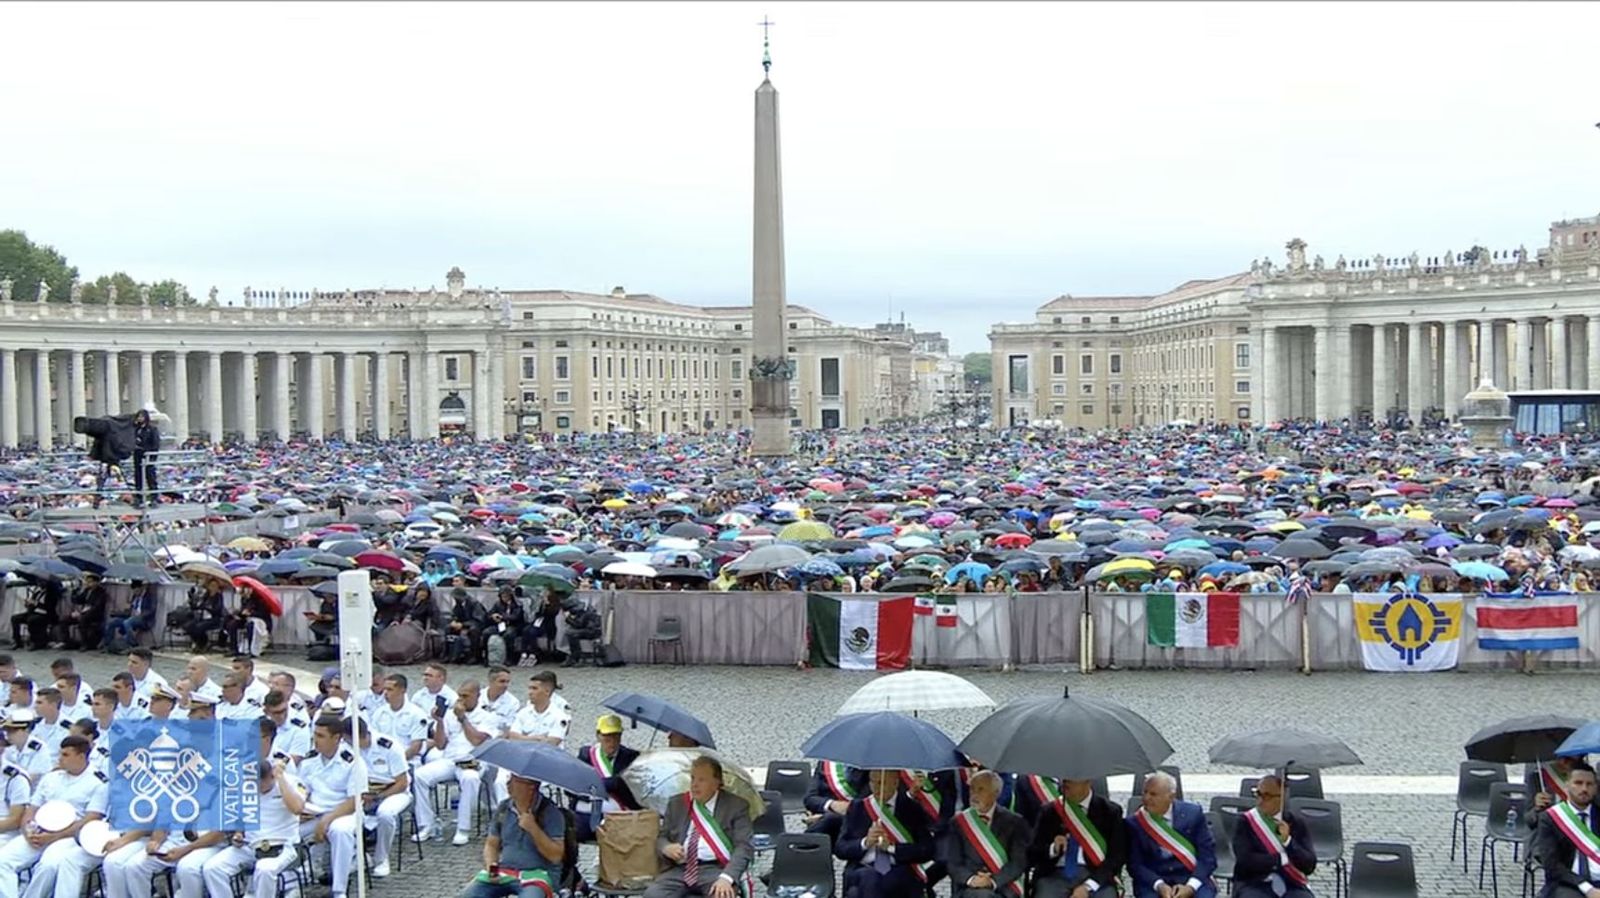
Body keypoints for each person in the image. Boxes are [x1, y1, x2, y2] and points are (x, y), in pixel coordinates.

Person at [0, 736, 108, 898]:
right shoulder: (52, 777)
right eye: (60, 754)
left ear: (80, 756)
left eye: (65, 755)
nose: (60, 759)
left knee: (48, 866)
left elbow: (90, 819)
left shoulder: (98, 782)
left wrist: (54, 837)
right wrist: (28, 831)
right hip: (38, 832)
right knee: (3, 861)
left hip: (69, 836)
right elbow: (32, 809)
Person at [200, 740, 307, 898]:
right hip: (250, 846)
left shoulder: (289, 782)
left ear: (270, 777)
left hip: (282, 845)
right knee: (212, 868)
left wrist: (280, 778)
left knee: (265, 868)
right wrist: (238, 834)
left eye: (261, 784)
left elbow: (297, 808)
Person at [642, 755, 754, 898]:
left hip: (716, 869)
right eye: (693, 778)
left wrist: (727, 878)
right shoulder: (677, 803)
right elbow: (662, 837)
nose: (694, 784)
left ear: (717, 782)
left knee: (722, 895)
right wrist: (666, 847)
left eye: (701, 780)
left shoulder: (736, 806)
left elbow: (744, 847)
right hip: (681, 868)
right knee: (652, 895)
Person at [412, 679, 501, 846]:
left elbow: (477, 740)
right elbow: (440, 744)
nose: (461, 700)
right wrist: (439, 721)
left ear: (477, 696)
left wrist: (463, 719)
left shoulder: (488, 717)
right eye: (459, 695)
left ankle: (463, 828)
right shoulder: (449, 715)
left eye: (465, 696)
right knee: (419, 775)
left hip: (474, 761)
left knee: (470, 778)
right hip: (450, 760)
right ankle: (427, 824)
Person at [457, 773, 566, 898]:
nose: (508, 784)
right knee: (469, 895)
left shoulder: (550, 812)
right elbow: (492, 844)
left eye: (515, 781)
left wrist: (533, 828)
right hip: (506, 871)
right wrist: (491, 865)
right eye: (509, 778)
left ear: (531, 787)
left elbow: (556, 856)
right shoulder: (504, 808)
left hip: (538, 875)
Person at [834, 768, 937, 898]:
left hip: (898, 868)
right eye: (873, 782)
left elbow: (927, 850)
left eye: (882, 783)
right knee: (871, 878)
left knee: (882, 880)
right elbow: (840, 848)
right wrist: (866, 842)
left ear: (895, 783)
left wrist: (891, 848)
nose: (876, 788)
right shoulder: (858, 808)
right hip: (863, 868)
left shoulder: (911, 808)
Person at [1125, 771, 1217, 898]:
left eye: (1153, 794)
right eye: (1144, 792)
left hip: (1190, 875)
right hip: (1154, 879)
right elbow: (1135, 864)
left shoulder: (1193, 814)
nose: (1146, 798)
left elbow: (1207, 857)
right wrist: (1159, 885)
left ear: (1171, 796)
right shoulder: (1134, 823)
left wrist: (1190, 886)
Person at [1028, 778, 1124, 898]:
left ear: (1088, 781)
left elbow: (1116, 857)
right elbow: (1032, 853)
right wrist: (1052, 849)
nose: (1065, 781)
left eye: (1071, 778)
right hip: (1054, 875)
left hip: (1096, 876)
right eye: (1064, 778)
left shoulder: (1110, 812)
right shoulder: (1050, 811)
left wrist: (1088, 886)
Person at [297, 717, 359, 898]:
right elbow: (303, 790)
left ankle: (339, 890)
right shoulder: (310, 760)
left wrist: (327, 819)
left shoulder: (352, 761)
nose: (315, 740)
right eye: (314, 734)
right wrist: (300, 810)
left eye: (321, 736)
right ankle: (290, 882)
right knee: (284, 828)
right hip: (315, 813)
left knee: (340, 831)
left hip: (344, 813)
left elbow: (354, 800)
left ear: (336, 738)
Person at [945, 769, 1030, 898]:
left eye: (980, 790)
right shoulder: (958, 822)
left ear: (996, 793)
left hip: (1003, 886)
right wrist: (972, 879)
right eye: (972, 789)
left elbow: (1018, 862)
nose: (974, 795)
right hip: (969, 888)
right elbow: (953, 862)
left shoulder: (1014, 822)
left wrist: (993, 881)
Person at [1231, 775, 1315, 898]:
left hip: (1292, 884)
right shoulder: (1245, 822)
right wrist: (1280, 859)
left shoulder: (1296, 823)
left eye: (1267, 796)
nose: (1260, 800)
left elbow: (1309, 865)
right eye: (1258, 794)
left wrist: (1288, 841)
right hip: (1254, 883)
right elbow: (1245, 861)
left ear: (1281, 798)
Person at [353, 715, 412, 878]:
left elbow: (402, 782)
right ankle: (357, 856)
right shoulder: (348, 749)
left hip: (394, 792)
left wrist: (379, 797)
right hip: (365, 793)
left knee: (385, 814)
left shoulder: (388, 746)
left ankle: (382, 859)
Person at [1534, 761, 1600, 897]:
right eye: (1578, 783)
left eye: (1589, 784)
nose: (1584, 789)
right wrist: (1588, 889)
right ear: (1567, 785)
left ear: (1596, 788)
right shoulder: (1550, 818)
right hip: (1568, 883)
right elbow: (1552, 865)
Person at [571, 714, 640, 842]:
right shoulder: (586, 755)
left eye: (616, 736)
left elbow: (626, 786)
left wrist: (595, 785)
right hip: (587, 811)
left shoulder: (630, 757)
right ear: (598, 736)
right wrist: (603, 786)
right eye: (607, 737)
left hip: (618, 815)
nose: (612, 742)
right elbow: (572, 785)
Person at [804, 760, 870, 847]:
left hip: (856, 819)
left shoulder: (870, 767)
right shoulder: (826, 762)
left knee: (829, 820)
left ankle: (796, 852)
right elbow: (809, 799)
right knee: (828, 821)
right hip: (825, 816)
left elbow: (862, 804)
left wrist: (825, 816)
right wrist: (832, 805)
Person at [368, 674, 428, 766]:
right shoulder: (379, 713)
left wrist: (396, 762)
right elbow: (373, 739)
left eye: (390, 689)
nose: (385, 693)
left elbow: (416, 746)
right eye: (384, 689)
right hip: (382, 761)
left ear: (402, 690)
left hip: (408, 761)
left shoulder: (417, 714)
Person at [103, 581, 157, 651]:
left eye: (137, 591)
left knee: (127, 622)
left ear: (141, 588)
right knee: (112, 623)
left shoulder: (149, 596)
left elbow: (152, 610)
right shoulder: (135, 597)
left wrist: (141, 615)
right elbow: (130, 610)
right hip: (131, 617)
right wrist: (118, 613)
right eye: (134, 591)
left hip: (144, 619)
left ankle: (133, 644)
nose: (135, 592)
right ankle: (108, 644)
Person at [59, 574, 108, 651]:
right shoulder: (87, 590)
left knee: (82, 620)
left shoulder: (101, 592)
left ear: (96, 582)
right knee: (64, 620)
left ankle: (84, 644)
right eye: (87, 582)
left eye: (90, 582)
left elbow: (96, 607)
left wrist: (81, 614)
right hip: (83, 613)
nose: (88, 584)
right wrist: (74, 592)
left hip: (94, 615)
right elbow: (78, 600)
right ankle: (67, 642)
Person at [11, 580, 61, 651]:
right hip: (34, 612)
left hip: (46, 614)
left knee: (32, 620)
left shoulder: (51, 594)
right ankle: (17, 641)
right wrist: (28, 603)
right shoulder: (38, 593)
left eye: (41, 582)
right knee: (15, 618)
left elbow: (49, 607)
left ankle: (35, 642)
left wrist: (36, 603)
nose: (39, 583)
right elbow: (32, 604)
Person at [131, 408, 160, 506]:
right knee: (138, 476)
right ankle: (138, 497)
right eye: (138, 416)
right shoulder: (136, 429)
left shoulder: (152, 429)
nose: (140, 418)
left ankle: (154, 498)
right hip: (138, 455)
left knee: (150, 476)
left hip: (148, 455)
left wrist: (152, 456)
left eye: (142, 416)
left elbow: (155, 443)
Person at [561, 599, 602, 667]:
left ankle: (576, 657)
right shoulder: (583, 610)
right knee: (570, 633)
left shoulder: (584, 612)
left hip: (592, 631)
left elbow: (579, 624)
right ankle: (573, 657)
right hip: (590, 629)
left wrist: (568, 618)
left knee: (571, 634)